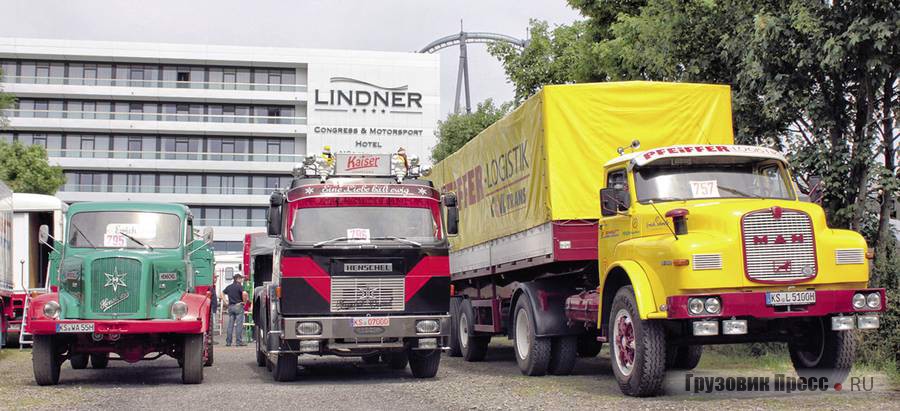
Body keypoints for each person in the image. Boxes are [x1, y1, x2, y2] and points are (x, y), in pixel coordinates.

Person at [222, 273, 248, 347]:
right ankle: (238, 342)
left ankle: (228, 342)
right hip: (238, 306)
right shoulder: (240, 286)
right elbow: (245, 293)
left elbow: (222, 293)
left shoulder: (229, 287)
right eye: (241, 278)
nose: (242, 280)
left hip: (230, 307)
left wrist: (225, 302)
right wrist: (244, 302)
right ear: (237, 279)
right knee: (239, 325)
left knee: (230, 325)